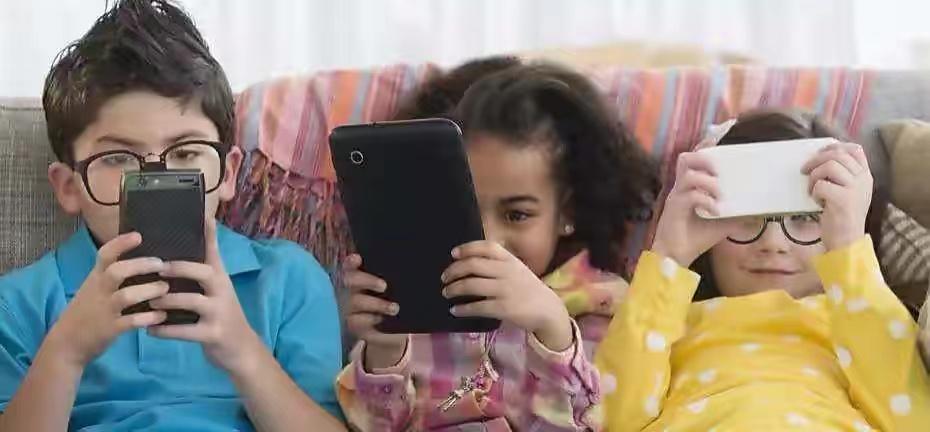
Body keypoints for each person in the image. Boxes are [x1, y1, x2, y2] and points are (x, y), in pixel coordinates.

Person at [0, 1, 344, 430]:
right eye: (119, 158)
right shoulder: (18, 303)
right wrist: (66, 352)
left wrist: (243, 352)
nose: (156, 181)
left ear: (228, 173)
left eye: (185, 153)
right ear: (69, 187)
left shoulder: (287, 279)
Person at [336, 61, 660, 430]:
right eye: (463, 211)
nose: (487, 240)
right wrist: (385, 352)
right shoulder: (412, 302)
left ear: (566, 212)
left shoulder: (601, 304)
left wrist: (553, 331)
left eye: (517, 215)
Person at [596, 109, 930, 430]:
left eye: (803, 218)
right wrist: (669, 256)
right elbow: (610, 419)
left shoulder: (867, 319)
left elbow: (914, 422)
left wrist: (849, 253)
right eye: (747, 218)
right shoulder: (662, 320)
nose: (773, 243)